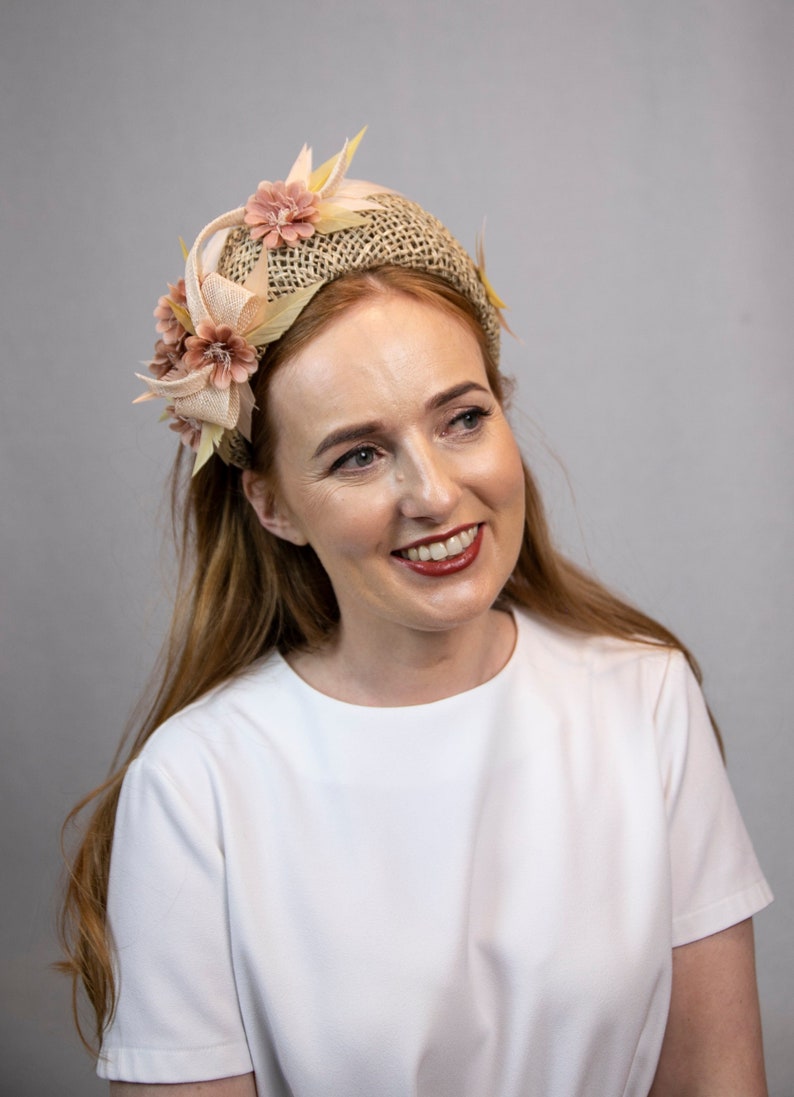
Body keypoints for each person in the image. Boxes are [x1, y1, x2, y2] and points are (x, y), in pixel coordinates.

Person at [60, 131, 772, 1097]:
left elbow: (718, 1082)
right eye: (358, 454)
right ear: (271, 503)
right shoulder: (196, 787)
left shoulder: (646, 698)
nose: (434, 493)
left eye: (463, 418)